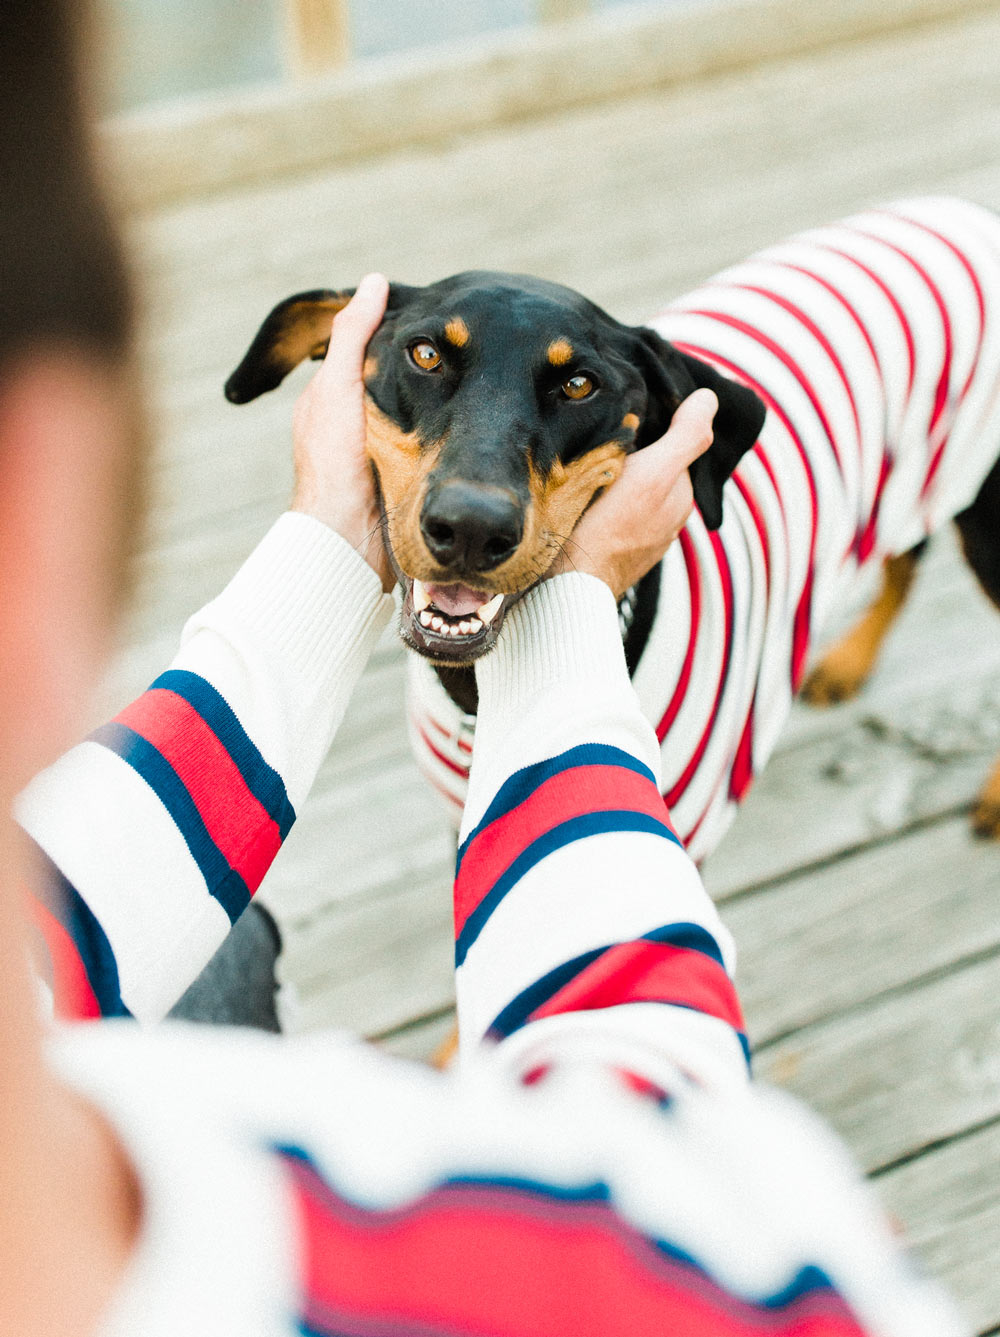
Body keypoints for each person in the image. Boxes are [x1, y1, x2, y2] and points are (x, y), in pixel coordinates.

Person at [0, 2, 965, 1334]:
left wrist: (338, 545)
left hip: (942, 314)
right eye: (420, 378)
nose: (467, 500)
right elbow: (672, 1135)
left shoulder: (705, 659)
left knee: (929, 524)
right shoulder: (734, 1275)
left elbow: (73, 901)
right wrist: (572, 595)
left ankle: (884, 582)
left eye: (572, 399)